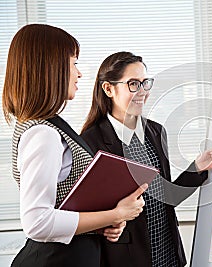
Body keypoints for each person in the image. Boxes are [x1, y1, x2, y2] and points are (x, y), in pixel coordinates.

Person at [2, 24, 147, 267]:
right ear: (50, 68)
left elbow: (63, 207)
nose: (78, 74)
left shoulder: (48, 125)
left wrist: (101, 226)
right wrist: (117, 214)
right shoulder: (43, 133)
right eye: (73, 63)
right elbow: (37, 222)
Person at [80, 51, 212, 267]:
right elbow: (84, 212)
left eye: (145, 83)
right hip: (128, 258)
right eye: (133, 84)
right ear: (108, 88)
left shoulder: (156, 132)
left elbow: (167, 196)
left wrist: (197, 168)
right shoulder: (91, 141)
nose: (142, 92)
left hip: (167, 252)